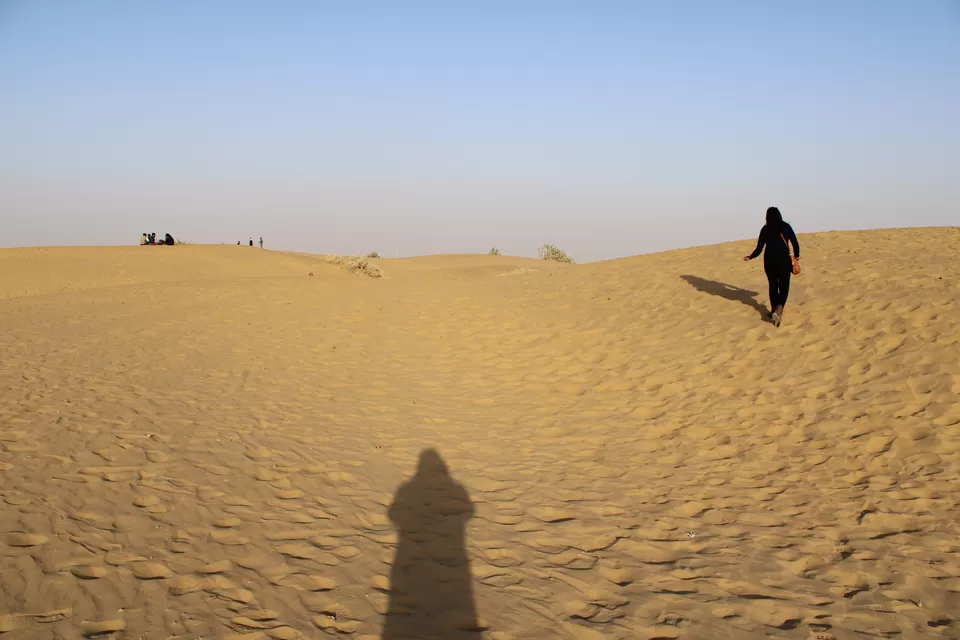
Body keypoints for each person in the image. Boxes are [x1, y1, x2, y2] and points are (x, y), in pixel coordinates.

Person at [743, 206, 800, 327]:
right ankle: (778, 309)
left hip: (769, 261)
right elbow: (795, 243)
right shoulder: (785, 227)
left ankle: (774, 309)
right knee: (784, 285)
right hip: (783, 261)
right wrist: (797, 257)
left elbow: (759, 248)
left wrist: (750, 256)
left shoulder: (765, 229)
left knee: (773, 285)